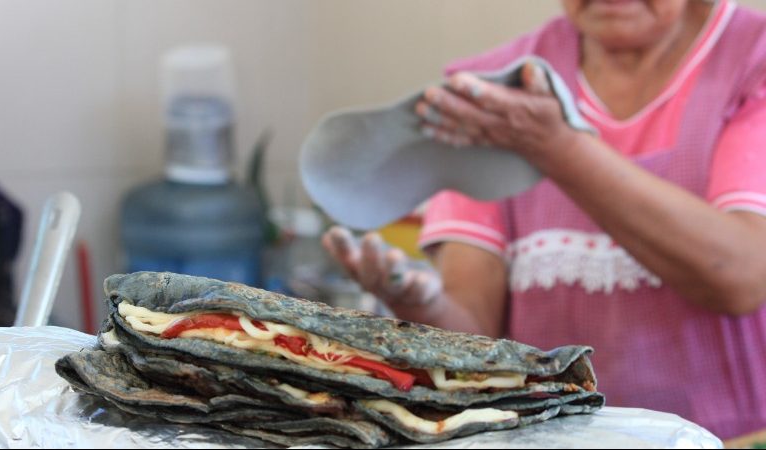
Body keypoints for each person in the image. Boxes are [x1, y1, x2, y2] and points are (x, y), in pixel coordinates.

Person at [322, 0, 766, 440]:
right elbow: (477, 337)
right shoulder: (495, 89)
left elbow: (741, 276)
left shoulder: (752, 57)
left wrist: (556, 148)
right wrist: (416, 303)